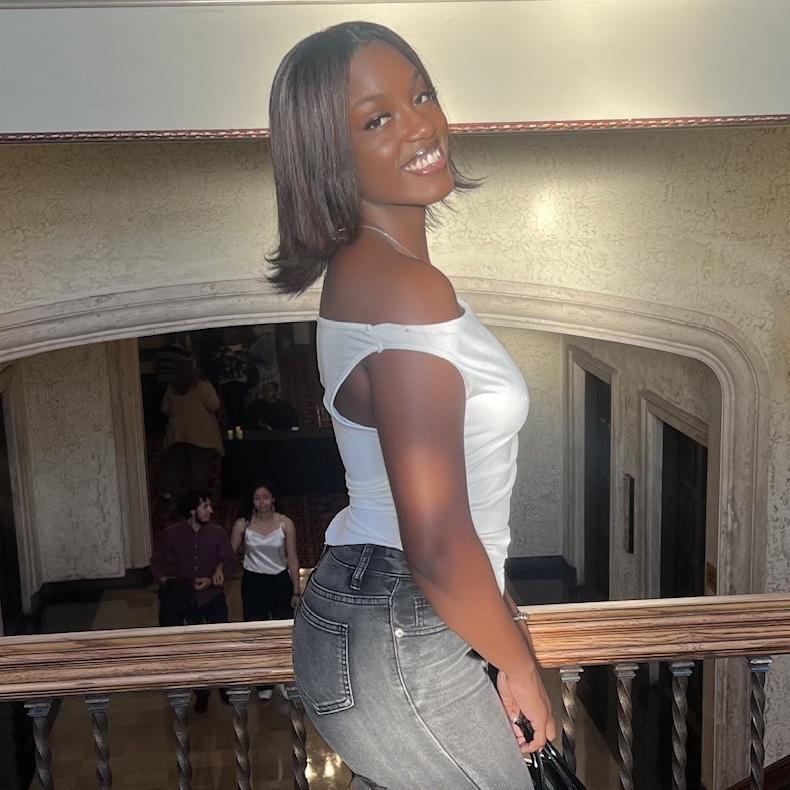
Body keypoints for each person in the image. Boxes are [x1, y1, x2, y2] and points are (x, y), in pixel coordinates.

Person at [268, 21, 556, 790]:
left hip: (385, 610)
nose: (421, 126)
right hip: (402, 618)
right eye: (377, 119)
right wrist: (521, 667)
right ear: (328, 155)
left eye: (421, 95)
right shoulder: (403, 288)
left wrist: (499, 630)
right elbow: (433, 541)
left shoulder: (367, 274)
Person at [150, 490, 239, 712]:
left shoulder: (217, 532)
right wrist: (166, 581)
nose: (210, 510)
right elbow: (158, 562)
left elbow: (230, 561)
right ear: (192, 510)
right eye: (205, 506)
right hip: (188, 598)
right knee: (196, 646)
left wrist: (216, 574)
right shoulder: (173, 533)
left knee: (221, 642)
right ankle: (201, 692)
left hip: (213, 596)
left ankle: (224, 686)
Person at [228, 482, 300, 700]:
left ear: (273, 499)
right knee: (256, 633)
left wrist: (296, 589)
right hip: (253, 582)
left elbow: (292, 557)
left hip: (279, 581)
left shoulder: (285, 523)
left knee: (282, 633)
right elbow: (228, 554)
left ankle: (285, 678)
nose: (262, 502)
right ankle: (263, 683)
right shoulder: (243, 524)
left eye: (265, 497)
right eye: (257, 498)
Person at [161, 360, 224, 502]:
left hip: (178, 434)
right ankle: (197, 498)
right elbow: (214, 404)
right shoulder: (202, 386)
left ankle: (171, 494)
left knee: (175, 466)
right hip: (200, 434)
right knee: (198, 467)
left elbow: (165, 409)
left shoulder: (172, 388)